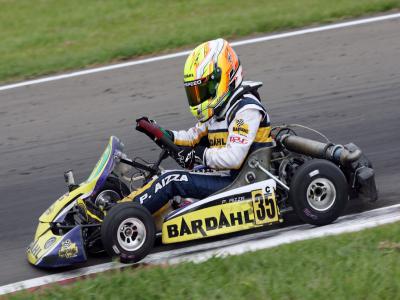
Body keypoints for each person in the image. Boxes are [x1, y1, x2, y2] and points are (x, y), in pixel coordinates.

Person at [81, 38, 273, 223]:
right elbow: (191, 138)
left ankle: (116, 217)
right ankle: (119, 208)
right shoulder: (218, 110)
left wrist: (197, 155)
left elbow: (233, 157)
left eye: (204, 89)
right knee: (160, 177)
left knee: (171, 179)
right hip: (223, 176)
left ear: (223, 77)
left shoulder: (246, 110)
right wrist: (162, 134)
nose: (199, 97)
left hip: (243, 183)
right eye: (195, 91)